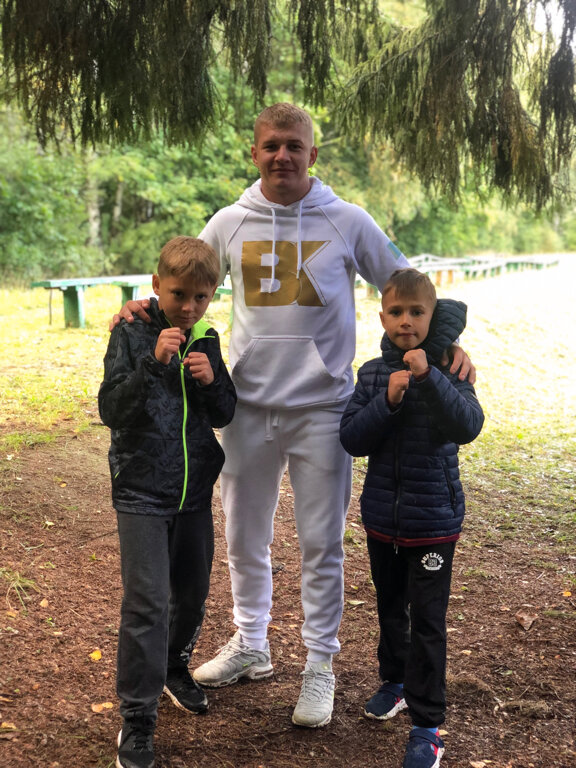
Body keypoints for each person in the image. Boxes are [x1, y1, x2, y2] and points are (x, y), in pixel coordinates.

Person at [111, 103, 475, 729]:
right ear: (254, 153)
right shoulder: (229, 221)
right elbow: (185, 278)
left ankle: (319, 664)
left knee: (320, 542)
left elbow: (411, 287)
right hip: (247, 406)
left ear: (312, 154)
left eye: (294, 145)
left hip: (323, 409)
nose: (282, 155)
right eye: (271, 145)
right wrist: (139, 310)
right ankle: (252, 643)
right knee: (243, 535)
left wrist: (445, 344)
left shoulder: (347, 220)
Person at [99, 236, 236, 768]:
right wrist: (155, 365)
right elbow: (112, 409)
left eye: (201, 297)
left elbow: (223, 412)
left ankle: (175, 667)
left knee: (192, 594)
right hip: (141, 491)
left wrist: (211, 381)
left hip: (193, 492)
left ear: (212, 294)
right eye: (179, 294)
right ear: (157, 285)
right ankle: (137, 718)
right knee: (147, 603)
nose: (189, 307)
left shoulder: (207, 337)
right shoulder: (131, 332)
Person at [339, 268, 484, 768]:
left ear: (432, 314)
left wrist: (429, 378)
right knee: (389, 608)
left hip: (434, 523)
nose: (406, 321)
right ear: (382, 317)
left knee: (427, 621)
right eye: (396, 312)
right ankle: (395, 681)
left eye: (416, 312)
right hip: (384, 519)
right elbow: (352, 439)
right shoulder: (371, 374)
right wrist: (387, 400)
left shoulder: (451, 367)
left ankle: (427, 726)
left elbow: (468, 426)